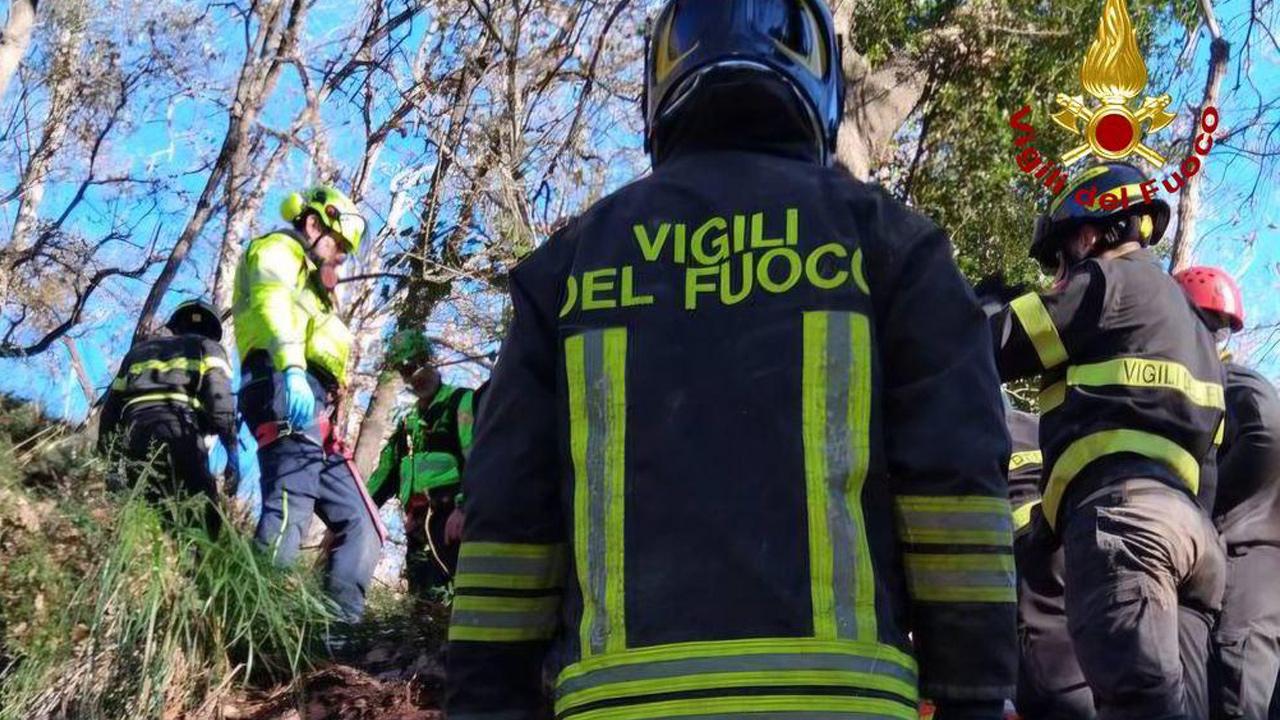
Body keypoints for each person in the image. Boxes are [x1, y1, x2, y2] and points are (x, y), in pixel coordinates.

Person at [446, 1, 1017, 718]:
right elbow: (955, 481)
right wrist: (974, 692)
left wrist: (484, 700)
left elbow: (507, 514)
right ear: (820, 81)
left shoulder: (567, 267)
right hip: (841, 704)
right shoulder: (893, 243)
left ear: (660, 82)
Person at [990, 162, 1226, 719]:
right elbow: (1211, 464)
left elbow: (1002, 342)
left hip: (1126, 527)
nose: (1058, 274)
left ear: (1092, 232)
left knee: (1135, 705)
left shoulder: (1107, 281)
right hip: (1196, 546)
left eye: (1061, 256)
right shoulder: (1193, 330)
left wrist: (953, 322)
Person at [232, 185, 384, 621]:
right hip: (280, 382)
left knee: (364, 523)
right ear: (314, 225)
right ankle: (254, 620)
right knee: (290, 505)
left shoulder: (316, 288)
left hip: (313, 405)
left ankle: (339, 628)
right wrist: (294, 368)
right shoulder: (278, 250)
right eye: (339, 246)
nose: (341, 258)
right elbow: (271, 303)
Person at [1175, 266, 1280, 719]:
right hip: (1242, 563)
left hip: (1249, 561)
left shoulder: (1228, 382)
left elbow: (1268, 434)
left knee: (1238, 695)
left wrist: (1211, 508)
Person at [98, 300, 237, 533]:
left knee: (151, 514)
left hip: (135, 436)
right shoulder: (209, 348)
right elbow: (220, 405)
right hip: (179, 432)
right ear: (213, 331)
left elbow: (110, 412)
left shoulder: (138, 353)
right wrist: (232, 452)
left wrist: (109, 462)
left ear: (175, 326)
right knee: (205, 518)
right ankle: (198, 565)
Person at [366, 329, 477, 597]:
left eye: (416, 365)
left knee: (456, 595)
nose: (413, 376)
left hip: (453, 520)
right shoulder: (408, 424)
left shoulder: (461, 402)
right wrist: (360, 513)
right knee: (422, 601)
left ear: (431, 360)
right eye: (405, 370)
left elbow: (480, 459)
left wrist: (464, 508)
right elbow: (385, 475)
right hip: (417, 526)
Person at [1007, 407, 1096, 719]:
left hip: (1026, 548)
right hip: (1068, 532)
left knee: (1049, 681)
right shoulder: (1032, 423)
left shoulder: (961, 428)